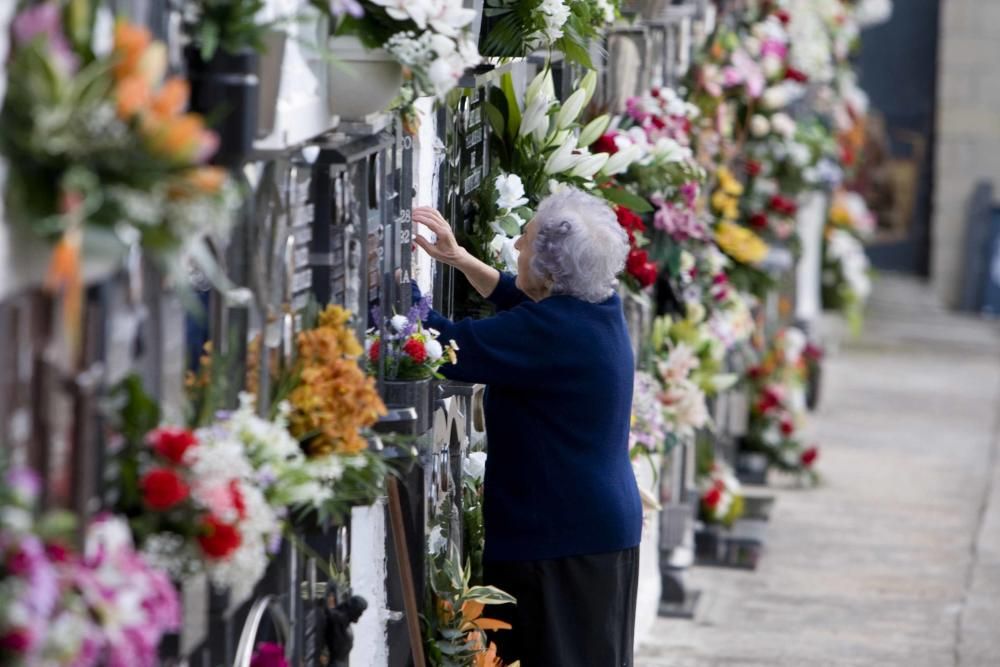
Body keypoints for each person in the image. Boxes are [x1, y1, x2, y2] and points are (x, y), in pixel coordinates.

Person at [412, 187, 643, 666]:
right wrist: (459, 259)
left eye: (526, 241)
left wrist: (389, 284)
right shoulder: (595, 308)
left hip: (559, 537)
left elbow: (448, 345)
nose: (517, 246)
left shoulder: (555, 333)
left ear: (550, 267)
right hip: (592, 528)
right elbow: (525, 300)